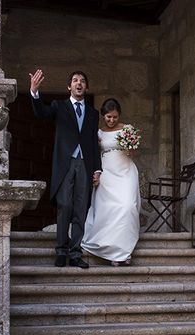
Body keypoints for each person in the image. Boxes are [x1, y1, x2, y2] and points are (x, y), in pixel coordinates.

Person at [29, 69, 101, 268]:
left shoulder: (93, 114)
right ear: (69, 86)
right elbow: (41, 113)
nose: (79, 83)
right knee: (65, 207)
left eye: (83, 81)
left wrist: (97, 169)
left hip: (85, 164)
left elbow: (94, 142)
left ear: (86, 87)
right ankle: (61, 251)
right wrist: (35, 93)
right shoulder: (59, 106)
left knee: (81, 209)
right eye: (75, 81)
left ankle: (76, 253)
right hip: (65, 164)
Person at [81, 98, 140, 266]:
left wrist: (131, 147)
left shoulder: (128, 129)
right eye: (108, 117)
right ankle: (113, 251)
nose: (111, 120)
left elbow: (134, 153)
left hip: (126, 171)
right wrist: (96, 173)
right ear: (103, 116)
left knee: (127, 206)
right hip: (107, 172)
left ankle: (124, 250)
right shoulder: (99, 133)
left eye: (114, 117)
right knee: (108, 209)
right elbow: (93, 153)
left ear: (119, 115)